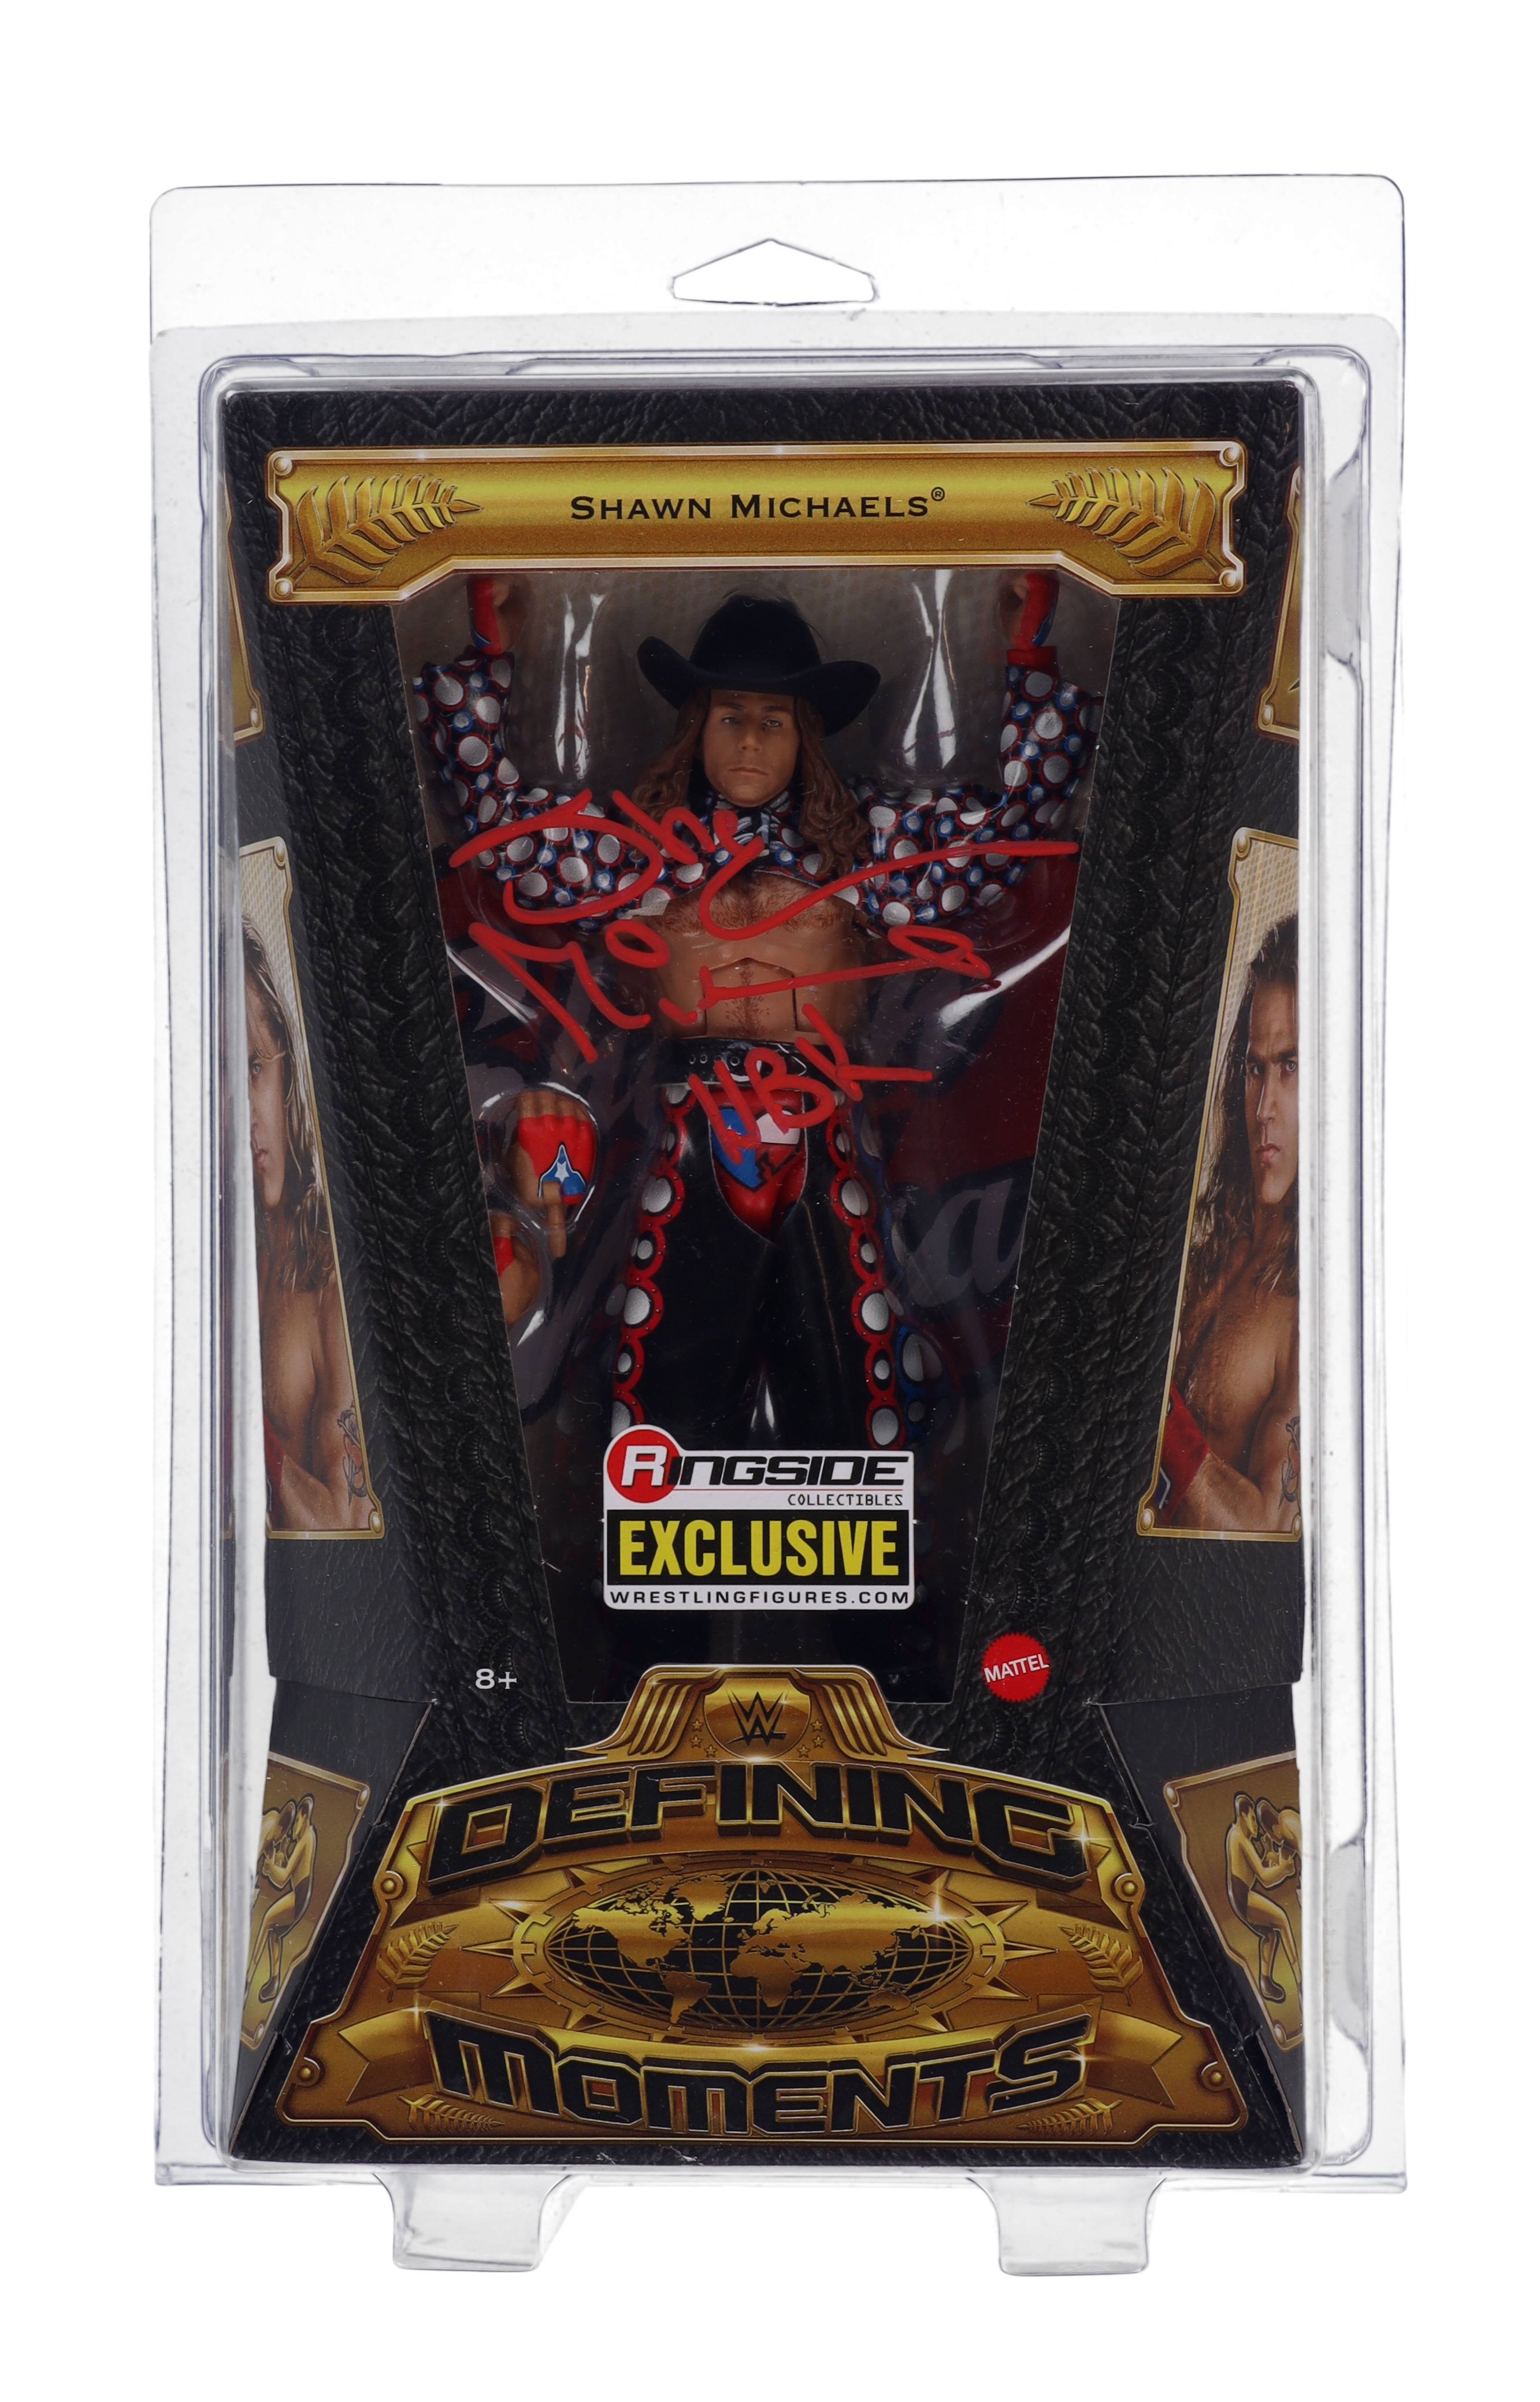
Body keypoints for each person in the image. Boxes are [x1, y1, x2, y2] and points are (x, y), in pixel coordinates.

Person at [416, 574, 1098, 1457]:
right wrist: (488, 651)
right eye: (729, 715)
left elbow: (1015, 831)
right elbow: (494, 826)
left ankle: (866, 1510)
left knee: (849, 1357)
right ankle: (653, 1505)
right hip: (686, 1117)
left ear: (803, 735)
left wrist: (1028, 652)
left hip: (823, 1114)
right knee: (667, 1357)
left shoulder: (864, 844)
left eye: (772, 720)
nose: (747, 739)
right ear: (695, 727)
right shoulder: (636, 847)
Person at [1157, 914, 1301, 1532]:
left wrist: (1153, 1406)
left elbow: (1265, 1523)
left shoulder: (1315, 1311)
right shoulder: (1217, 1240)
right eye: (1255, 1068)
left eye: (1291, 1066)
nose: (1263, 1107)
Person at [245, 923, 373, 1529]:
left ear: (287, 1072)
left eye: (253, 1068)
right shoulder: (197, 1266)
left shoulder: (332, 1275)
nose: (244, 1114)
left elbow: (346, 1520)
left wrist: (235, 1421)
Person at [1223, 1790, 1301, 2005]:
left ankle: (1265, 1981)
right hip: (1243, 1897)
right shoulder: (1239, 1837)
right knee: (1282, 1919)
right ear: (1243, 1816)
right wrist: (1284, 1869)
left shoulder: (1239, 1837)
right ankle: (1300, 1980)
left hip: (1242, 1896)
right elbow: (1266, 1879)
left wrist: (1268, 1853)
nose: (1256, 1828)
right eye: (1253, 1820)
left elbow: (1260, 1871)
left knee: (1269, 1935)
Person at [247, 1794, 318, 2007]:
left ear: (304, 1817)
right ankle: (274, 1981)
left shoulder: (306, 1838)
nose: (294, 1829)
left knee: (267, 1921)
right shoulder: (307, 1837)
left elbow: (283, 1879)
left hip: (299, 1898)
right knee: (275, 1934)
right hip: (299, 1895)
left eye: (296, 1823)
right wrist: (275, 1863)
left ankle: (248, 1978)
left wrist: (271, 1868)